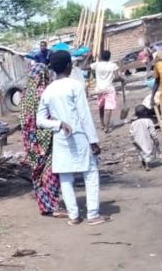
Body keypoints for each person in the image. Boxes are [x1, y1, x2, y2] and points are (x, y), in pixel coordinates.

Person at [37, 50, 108, 226]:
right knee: (90, 173)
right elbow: (84, 116)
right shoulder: (75, 86)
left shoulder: (48, 91)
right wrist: (94, 140)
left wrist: (58, 124)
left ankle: (74, 216)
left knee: (65, 176)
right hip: (79, 136)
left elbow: (40, 121)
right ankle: (92, 214)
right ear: (69, 66)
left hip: (60, 137)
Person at [20, 63, 65, 217]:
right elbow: (50, 116)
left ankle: (45, 205)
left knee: (37, 174)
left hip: (30, 143)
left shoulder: (24, 94)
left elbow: (25, 121)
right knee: (51, 173)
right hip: (45, 141)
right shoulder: (43, 92)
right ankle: (53, 205)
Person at [90, 50, 120, 133]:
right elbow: (117, 77)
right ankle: (107, 127)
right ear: (109, 57)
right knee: (108, 108)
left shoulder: (96, 65)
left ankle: (102, 124)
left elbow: (89, 68)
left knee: (101, 107)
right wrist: (122, 79)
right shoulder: (113, 65)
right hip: (109, 89)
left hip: (99, 89)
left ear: (101, 57)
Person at [130, 105, 160, 171]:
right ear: (145, 112)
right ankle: (147, 165)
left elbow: (131, 132)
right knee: (148, 151)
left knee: (140, 151)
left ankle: (143, 163)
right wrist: (155, 139)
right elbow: (152, 131)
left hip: (137, 139)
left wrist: (132, 140)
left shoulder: (134, 123)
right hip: (146, 139)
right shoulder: (148, 121)